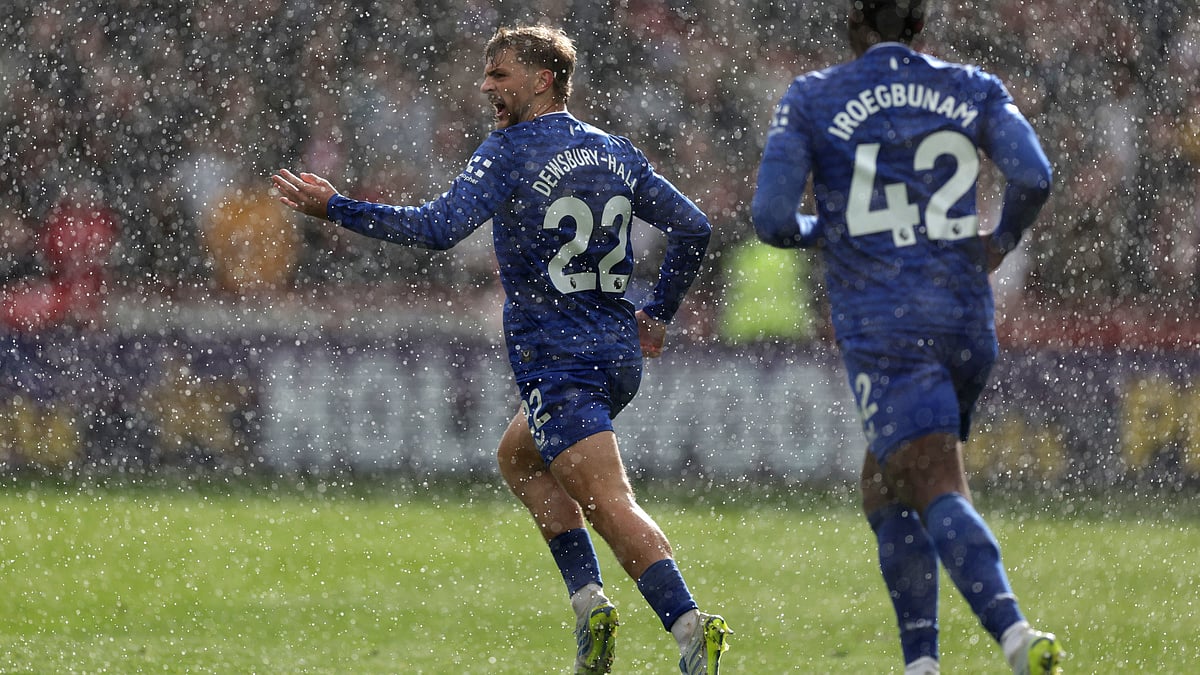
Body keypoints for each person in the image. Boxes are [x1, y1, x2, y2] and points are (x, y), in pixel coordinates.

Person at [272, 24, 729, 675]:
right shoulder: (614, 150)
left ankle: (691, 629)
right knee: (519, 459)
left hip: (560, 358)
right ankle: (590, 606)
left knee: (607, 502)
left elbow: (437, 228)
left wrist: (338, 208)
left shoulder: (510, 150)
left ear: (543, 79)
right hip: (613, 353)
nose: (487, 86)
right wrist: (657, 313)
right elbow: (694, 225)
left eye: (500, 74)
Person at [751, 3, 1060, 674]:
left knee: (930, 476)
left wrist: (821, 230)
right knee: (886, 480)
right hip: (966, 319)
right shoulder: (971, 84)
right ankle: (921, 664)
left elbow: (772, 218)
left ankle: (1016, 634)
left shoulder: (814, 96)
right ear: (920, 25)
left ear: (851, 20)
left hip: (889, 321)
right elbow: (1034, 175)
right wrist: (1002, 238)